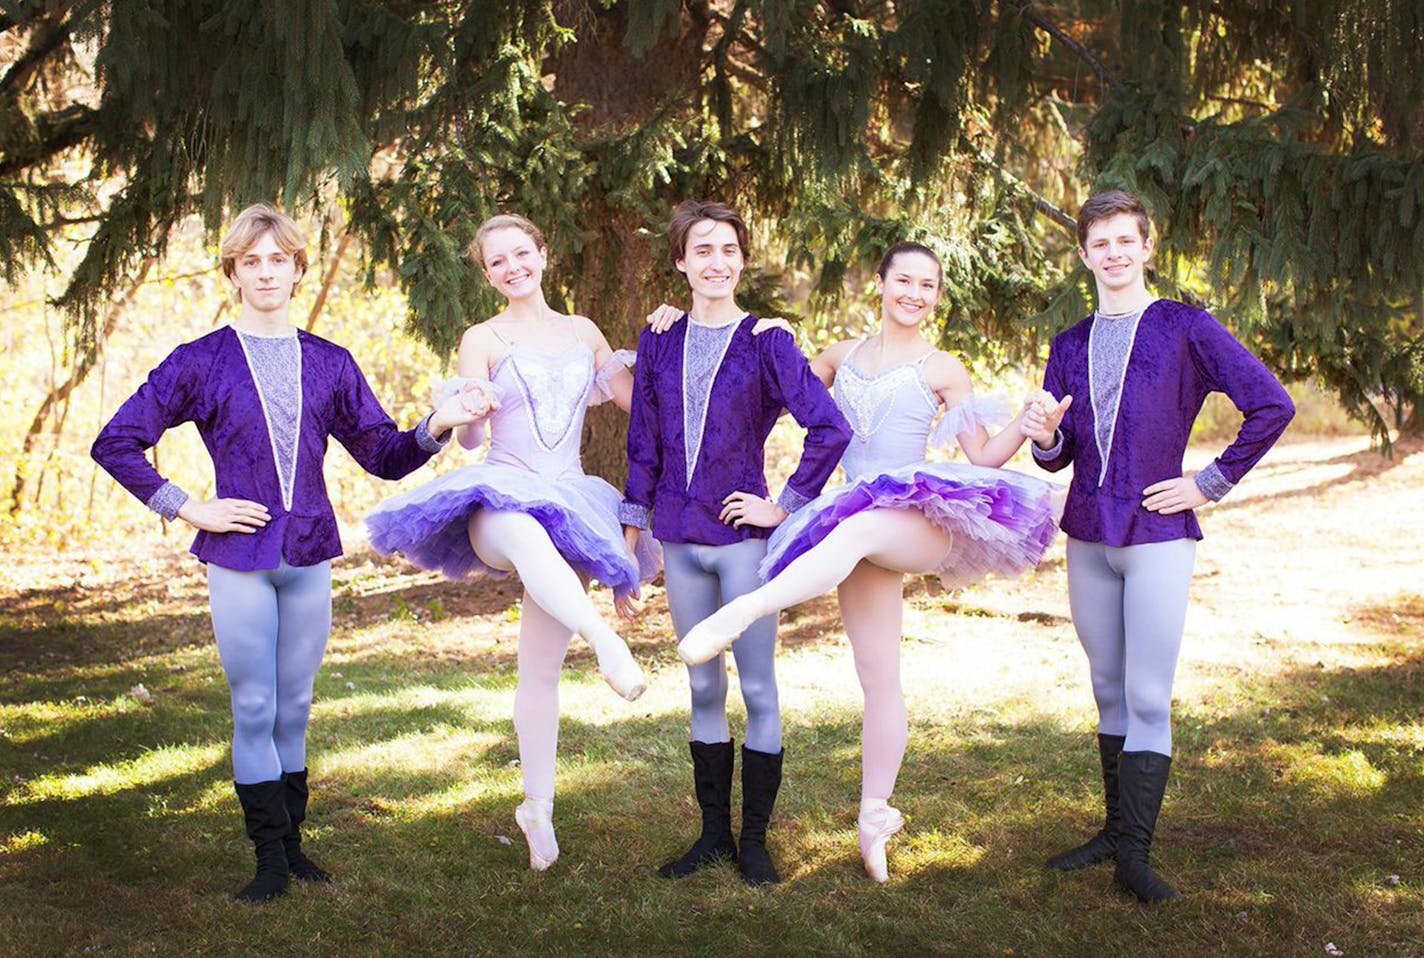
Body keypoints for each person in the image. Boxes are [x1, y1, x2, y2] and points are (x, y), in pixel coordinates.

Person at [91, 204, 482, 903]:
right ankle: (268, 860)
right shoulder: (200, 360)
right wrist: (188, 505)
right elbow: (115, 441)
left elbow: (384, 456)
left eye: (279, 259)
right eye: (252, 261)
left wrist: (434, 427)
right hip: (239, 558)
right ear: (234, 272)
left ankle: (295, 850)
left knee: (295, 705)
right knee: (255, 702)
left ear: (299, 269)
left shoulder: (330, 362)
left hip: (308, 556)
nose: (266, 272)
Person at [675, 241, 1062, 883]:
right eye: (903, 280)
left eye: (928, 285)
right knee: (878, 674)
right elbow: (760, 398)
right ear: (879, 283)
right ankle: (875, 817)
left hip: (917, 519)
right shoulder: (836, 357)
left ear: (938, 295)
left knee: (858, 530)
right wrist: (762, 333)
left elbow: (983, 458)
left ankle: (741, 611)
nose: (915, 292)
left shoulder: (943, 368)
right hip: (850, 516)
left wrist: (1026, 425)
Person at [365, 214, 660, 873]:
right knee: (524, 532)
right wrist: (469, 411)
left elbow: (634, 404)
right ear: (488, 275)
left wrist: (664, 339)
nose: (512, 267)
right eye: (497, 262)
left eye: (521, 253)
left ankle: (538, 810)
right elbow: (469, 440)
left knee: (540, 671)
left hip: (569, 499)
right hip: (500, 493)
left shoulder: (583, 332)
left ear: (543, 253)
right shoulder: (483, 338)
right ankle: (607, 644)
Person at [1024, 189, 1294, 903]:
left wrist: (1210, 481)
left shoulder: (1185, 326)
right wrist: (1047, 437)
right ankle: (1114, 831)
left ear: (1148, 247)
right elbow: (1059, 455)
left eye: (1125, 240)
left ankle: (1135, 859)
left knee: (1146, 693)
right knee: (1107, 686)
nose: (1113, 253)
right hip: (1087, 532)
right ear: (1084, 254)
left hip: (1157, 531)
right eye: (1099, 242)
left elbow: (1272, 404)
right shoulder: (1070, 343)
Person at [621, 200, 851, 887]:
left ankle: (755, 843)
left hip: (744, 541)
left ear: (742, 260)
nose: (716, 262)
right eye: (702, 250)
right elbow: (642, 443)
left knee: (757, 686)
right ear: (681, 262)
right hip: (678, 535)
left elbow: (828, 427)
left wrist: (785, 506)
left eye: (728, 249)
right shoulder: (659, 336)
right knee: (700, 684)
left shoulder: (768, 341)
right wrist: (632, 537)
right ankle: (711, 836)